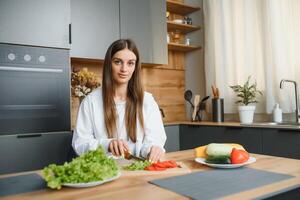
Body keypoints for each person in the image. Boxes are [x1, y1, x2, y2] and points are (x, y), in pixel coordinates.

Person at [72, 39, 166, 163]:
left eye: (130, 63)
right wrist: (107, 144)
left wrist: (153, 149)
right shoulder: (90, 102)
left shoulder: (147, 101)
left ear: (135, 67)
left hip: (137, 170)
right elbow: (80, 143)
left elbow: (155, 139)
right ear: (109, 64)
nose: (124, 69)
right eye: (118, 62)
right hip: (103, 171)